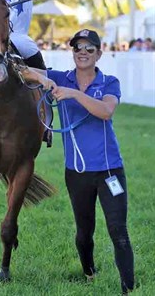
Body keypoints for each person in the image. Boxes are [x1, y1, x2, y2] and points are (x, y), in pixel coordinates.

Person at [20, 29, 134, 295]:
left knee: (119, 232)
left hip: (109, 171)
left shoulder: (109, 82)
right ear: (72, 52)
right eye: (77, 48)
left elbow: (105, 111)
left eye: (89, 48)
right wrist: (41, 78)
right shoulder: (61, 77)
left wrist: (73, 95)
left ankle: (129, 288)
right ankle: (89, 273)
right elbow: (22, 72)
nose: (82, 52)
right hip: (77, 174)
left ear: (99, 54)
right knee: (84, 233)